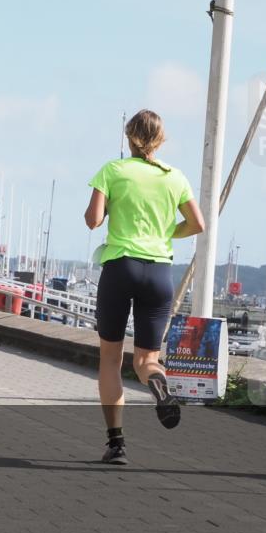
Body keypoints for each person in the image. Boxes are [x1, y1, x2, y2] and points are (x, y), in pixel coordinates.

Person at [85, 110, 204, 465]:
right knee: (146, 360)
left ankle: (117, 443)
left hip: (121, 266)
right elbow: (197, 223)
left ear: (129, 137)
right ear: (160, 139)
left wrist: (107, 211)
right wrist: (167, 232)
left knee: (109, 358)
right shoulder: (174, 177)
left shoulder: (113, 171)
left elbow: (93, 220)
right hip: (159, 273)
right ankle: (158, 384)